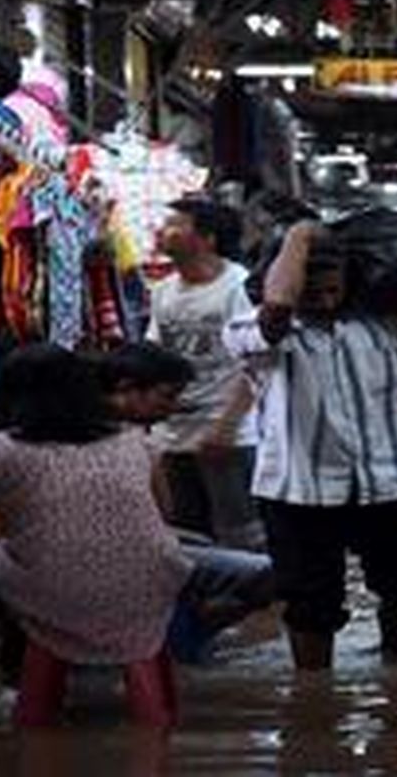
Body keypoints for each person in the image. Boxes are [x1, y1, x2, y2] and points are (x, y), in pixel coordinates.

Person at [223, 221, 397, 670]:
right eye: (315, 292)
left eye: (334, 290)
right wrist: (298, 238)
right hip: (297, 491)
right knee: (311, 604)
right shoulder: (254, 330)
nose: (326, 300)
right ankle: (313, 695)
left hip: (382, 484)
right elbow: (277, 308)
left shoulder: (377, 325)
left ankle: (393, 660)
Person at [0, 344, 194, 695]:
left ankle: (18, 676)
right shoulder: (135, 441)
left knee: (0, 560)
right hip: (150, 586)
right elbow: (164, 515)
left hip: (47, 590)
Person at [93, 342, 277, 663]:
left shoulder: (71, 432)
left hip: (89, 560)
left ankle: (182, 633)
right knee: (272, 574)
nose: (171, 408)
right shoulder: (136, 444)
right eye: (167, 396)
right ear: (126, 390)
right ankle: (183, 638)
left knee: (200, 544)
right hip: (129, 558)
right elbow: (163, 513)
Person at [147, 197, 263, 549]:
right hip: (175, 434)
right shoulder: (163, 291)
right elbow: (156, 353)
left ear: (207, 238)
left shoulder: (237, 286)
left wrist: (227, 425)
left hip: (228, 433)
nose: (162, 233)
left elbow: (257, 361)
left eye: (175, 225)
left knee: (242, 535)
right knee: (188, 534)